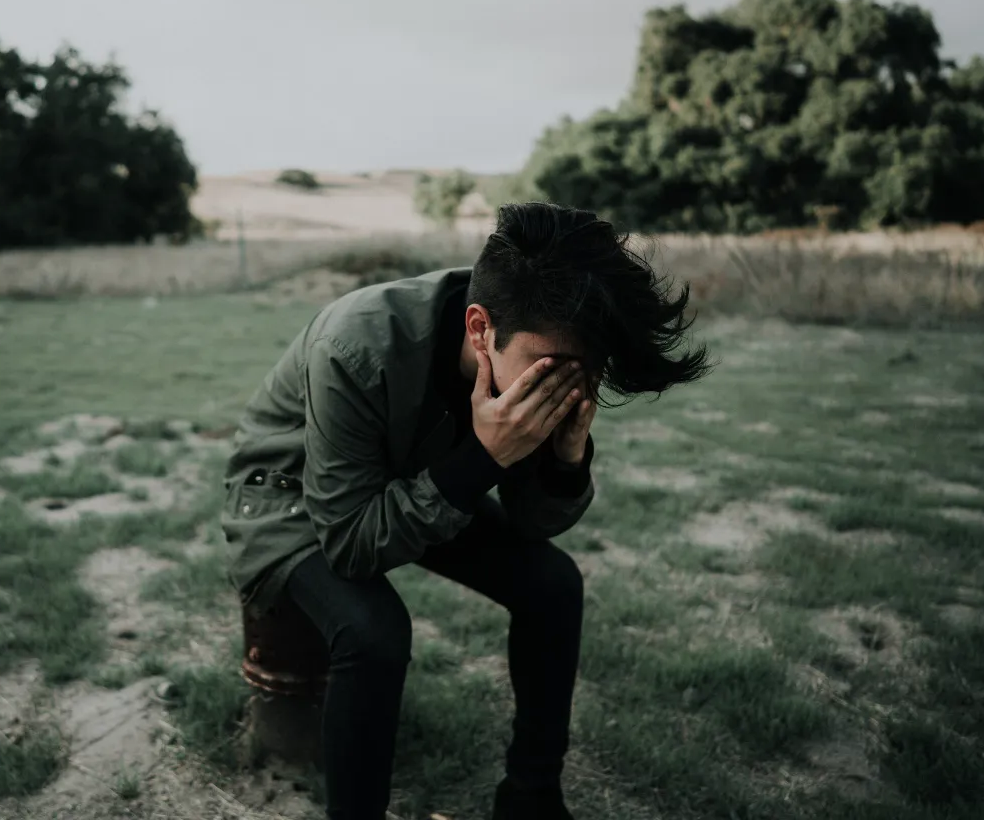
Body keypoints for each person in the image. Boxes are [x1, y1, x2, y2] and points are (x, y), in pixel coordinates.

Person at [220, 202, 713, 820]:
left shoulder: (537, 339)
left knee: (553, 584)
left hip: (414, 482)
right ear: (479, 329)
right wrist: (483, 458)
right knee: (373, 633)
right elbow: (348, 543)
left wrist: (564, 461)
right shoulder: (358, 343)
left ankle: (531, 797)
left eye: (590, 372)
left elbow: (534, 525)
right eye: (553, 369)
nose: (568, 387)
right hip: (291, 497)